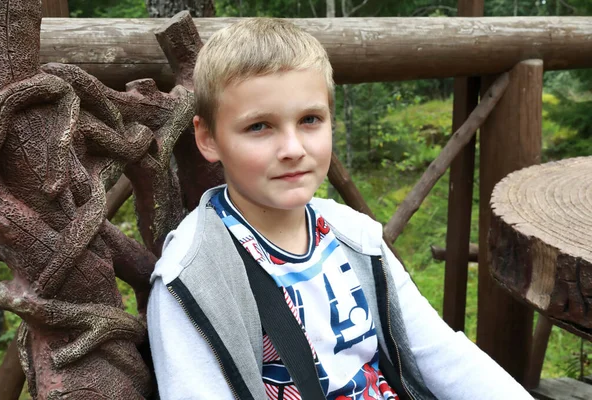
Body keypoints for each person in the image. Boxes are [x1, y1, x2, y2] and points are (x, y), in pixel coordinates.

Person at [147, 18, 533, 400]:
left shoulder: (354, 235)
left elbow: (440, 354)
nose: (293, 149)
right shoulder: (191, 279)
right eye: (259, 127)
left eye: (310, 120)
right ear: (208, 138)